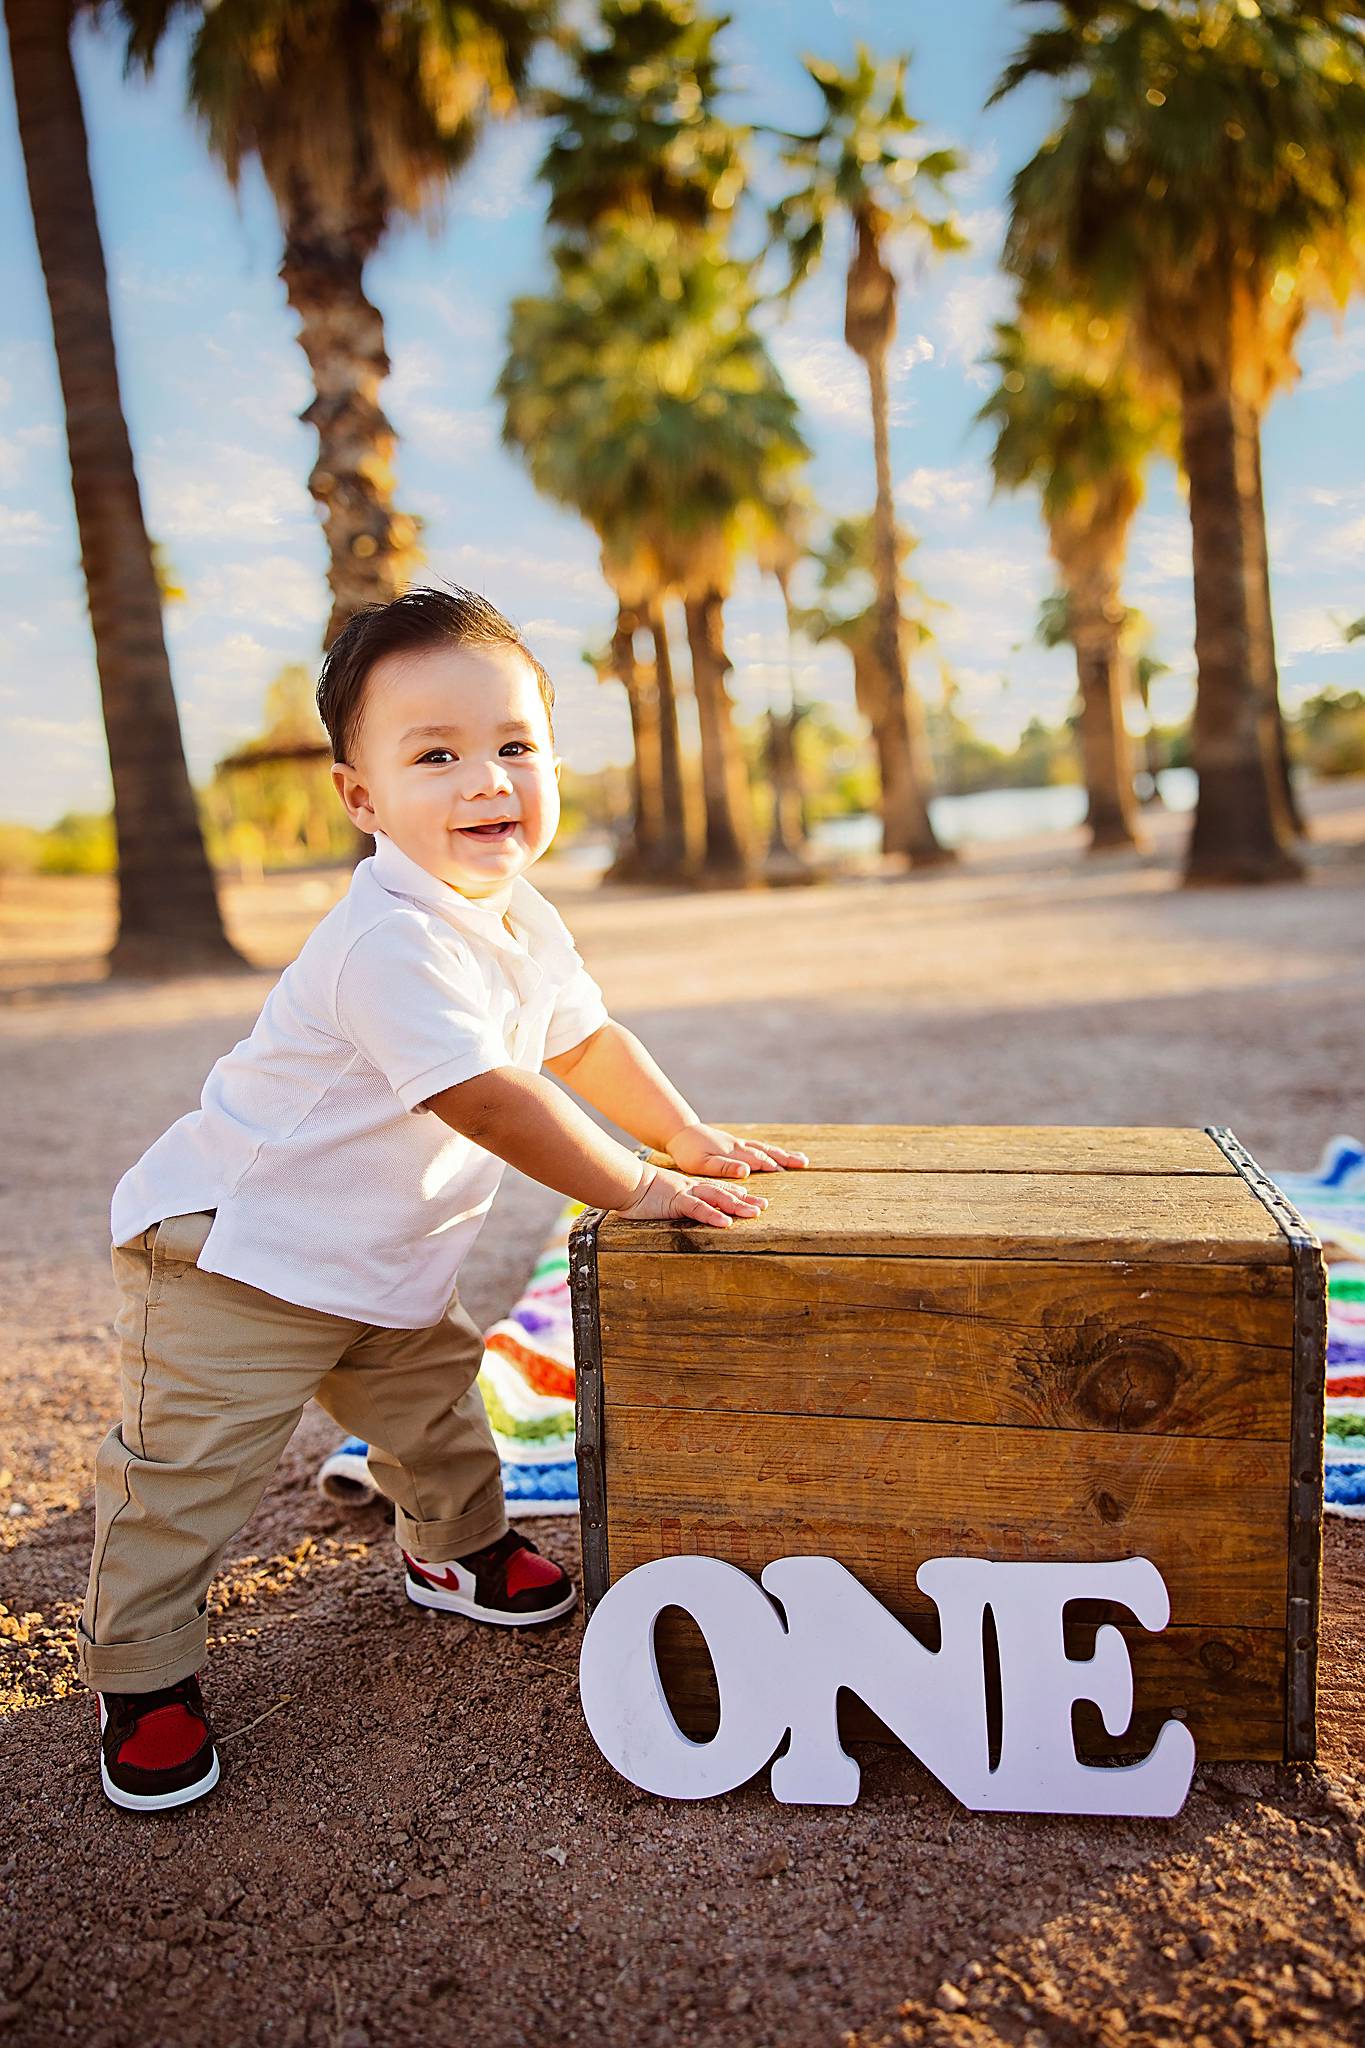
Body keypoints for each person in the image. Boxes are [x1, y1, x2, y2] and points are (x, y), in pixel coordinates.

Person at [82, 585, 808, 1812]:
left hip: (381, 1266)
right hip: (233, 1255)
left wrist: (680, 1127)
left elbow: (581, 1042)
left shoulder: (518, 915)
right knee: (184, 1471)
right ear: (360, 797)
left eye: (515, 745)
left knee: (437, 1413)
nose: (488, 781)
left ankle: (455, 1548)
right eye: (436, 755)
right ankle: (141, 1673)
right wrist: (639, 1183)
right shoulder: (390, 943)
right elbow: (490, 1098)